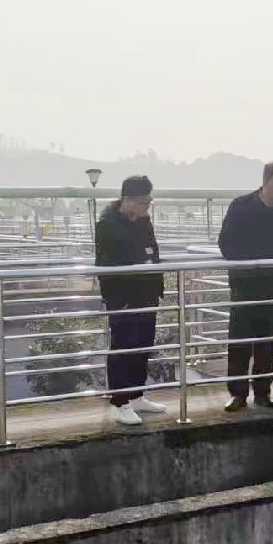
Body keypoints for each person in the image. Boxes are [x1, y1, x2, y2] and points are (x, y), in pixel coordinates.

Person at [218, 162, 273, 412]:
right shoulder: (241, 206)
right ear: (266, 181)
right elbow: (226, 243)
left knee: (266, 343)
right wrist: (251, 263)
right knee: (239, 341)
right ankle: (237, 394)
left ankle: (263, 392)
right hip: (245, 285)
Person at [94, 175, 167, 425]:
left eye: (149, 202)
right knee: (123, 347)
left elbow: (152, 251)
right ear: (127, 199)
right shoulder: (107, 224)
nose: (146, 207)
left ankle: (137, 395)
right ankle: (121, 402)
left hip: (147, 291)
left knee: (143, 344)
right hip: (123, 296)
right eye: (143, 202)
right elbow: (107, 264)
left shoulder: (144, 220)